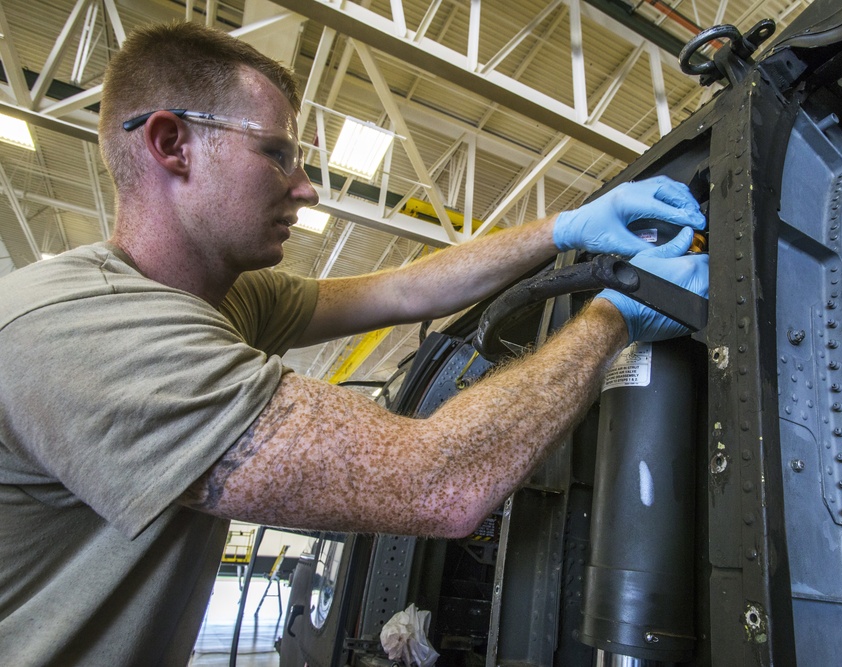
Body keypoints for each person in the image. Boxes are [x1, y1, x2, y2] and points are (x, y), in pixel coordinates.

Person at [0, 21, 708, 666]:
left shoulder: (222, 299)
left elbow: (403, 291)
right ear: (170, 143)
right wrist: (613, 319)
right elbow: (439, 482)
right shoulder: (88, 336)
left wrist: (567, 228)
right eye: (277, 154)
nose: (307, 190)